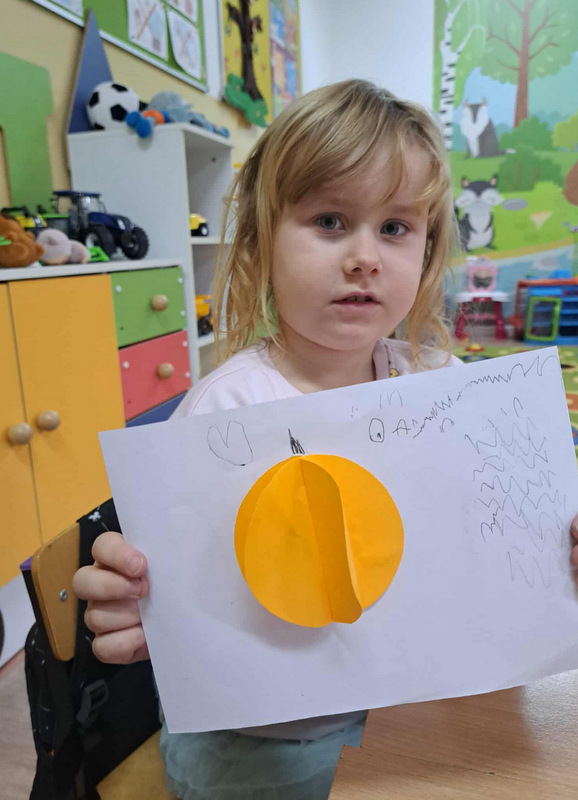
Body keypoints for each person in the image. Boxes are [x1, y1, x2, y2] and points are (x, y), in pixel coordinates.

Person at [72, 79, 578, 799]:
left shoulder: (442, 383)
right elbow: (182, 601)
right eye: (331, 220)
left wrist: (560, 548)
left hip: (410, 707)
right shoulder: (223, 412)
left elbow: (507, 539)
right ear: (261, 244)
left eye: (396, 228)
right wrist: (143, 602)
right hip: (255, 742)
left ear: (428, 250)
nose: (365, 257)